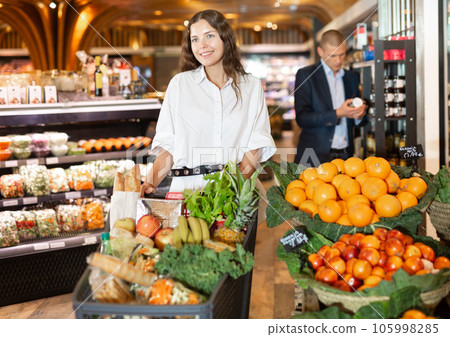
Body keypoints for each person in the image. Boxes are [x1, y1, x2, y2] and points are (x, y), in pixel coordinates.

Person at [141, 9, 276, 197]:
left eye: (209, 36)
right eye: (195, 39)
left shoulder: (251, 86)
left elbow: (255, 145)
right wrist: (149, 183)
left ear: (225, 38)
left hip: (234, 194)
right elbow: (168, 146)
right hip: (187, 193)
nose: (202, 45)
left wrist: (232, 191)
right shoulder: (180, 85)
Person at [293, 29, 367, 165]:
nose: (338, 61)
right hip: (314, 154)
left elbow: (360, 121)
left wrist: (359, 114)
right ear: (320, 51)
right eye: (332, 56)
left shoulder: (351, 78)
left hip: (345, 154)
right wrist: (337, 114)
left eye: (342, 54)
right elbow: (302, 118)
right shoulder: (306, 75)